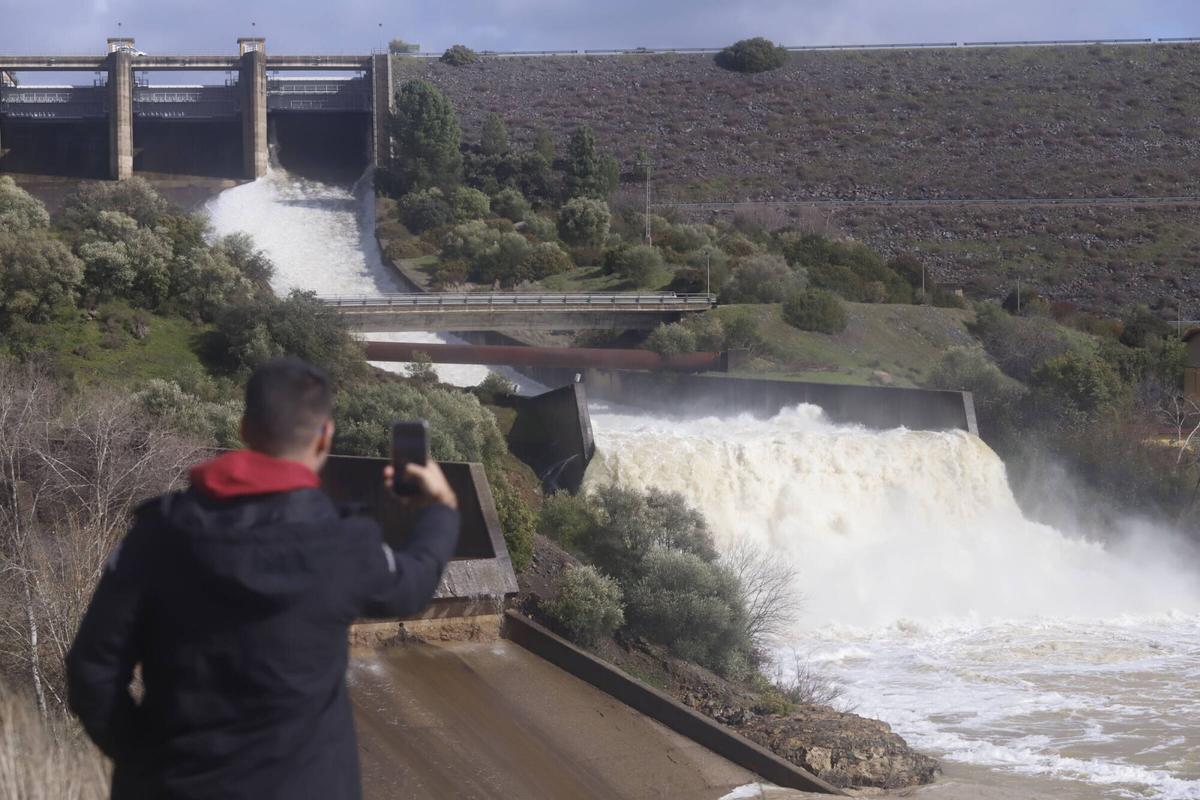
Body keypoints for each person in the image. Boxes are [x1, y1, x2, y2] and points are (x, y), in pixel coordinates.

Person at [67, 357, 460, 799]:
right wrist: (440, 510)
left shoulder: (159, 535)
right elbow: (412, 586)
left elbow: (93, 670)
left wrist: (148, 760)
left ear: (244, 429)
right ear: (324, 437)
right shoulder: (342, 544)